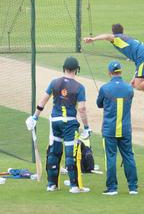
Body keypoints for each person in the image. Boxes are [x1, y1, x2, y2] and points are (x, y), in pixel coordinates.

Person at [25, 57, 91, 194]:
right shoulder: (79, 87)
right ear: (77, 70)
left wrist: (35, 117)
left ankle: (51, 184)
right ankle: (74, 186)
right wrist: (86, 127)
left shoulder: (54, 83)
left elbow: (43, 101)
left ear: (64, 68)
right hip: (69, 122)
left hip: (55, 121)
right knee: (70, 154)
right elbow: (82, 109)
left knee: (54, 152)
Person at [83, 24, 144, 122]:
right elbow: (137, 59)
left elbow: (106, 36)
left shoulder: (118, 38)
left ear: (114, 32)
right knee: (141, 85)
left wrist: (92, 39)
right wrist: (135, 77)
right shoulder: (127, 39)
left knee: (139, 85)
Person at [96, 61, 138, 196]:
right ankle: (133, 187)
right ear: (121, 71)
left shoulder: (104, 88)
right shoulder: (129, 89)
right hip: (125, 129)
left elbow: (99, 104)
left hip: (110, 130)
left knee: (111, 157)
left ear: (109, 73)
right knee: (129, 157)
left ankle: (112, 188)